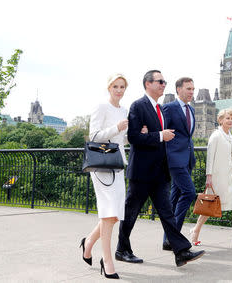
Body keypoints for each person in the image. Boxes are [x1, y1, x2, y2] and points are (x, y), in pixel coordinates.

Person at [115, 70, 205, 267]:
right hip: (142, 171)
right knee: (131, 211)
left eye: (165, 82)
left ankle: (181, 252)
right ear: (148, 84)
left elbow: (157, 135)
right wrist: (157, 135)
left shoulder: (158, 108)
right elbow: (134, 137)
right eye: (160, 81)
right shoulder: (139, 106)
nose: (164, 85)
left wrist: (155, 133)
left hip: (160, 171)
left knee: (167, 213)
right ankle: (122, 249)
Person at [80, 74, 129, 279]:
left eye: (122, 87)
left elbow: (121, 140)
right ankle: (107, 260)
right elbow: (93, 136)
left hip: (117, 164)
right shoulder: (101, 107)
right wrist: (116, 128)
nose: (119, 90)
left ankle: (88, 242)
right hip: (101, 165)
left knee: (115, 214)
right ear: (109, 88)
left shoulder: (124, 110)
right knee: (108, 214)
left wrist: (129, 133)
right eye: (115, 86)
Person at [190, 108, 232, 252]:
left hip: (231, 177)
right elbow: (210, 156)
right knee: (210, 207)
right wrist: (209, 176)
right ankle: (195, 231)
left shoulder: (230, 136)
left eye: (231, 118)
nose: (230, 121)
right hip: (218, 177)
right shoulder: (216, 136)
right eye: (227, 118)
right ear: (220, 120)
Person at [161, 77, 199, 250]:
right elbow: (162, 132)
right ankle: (174, 235)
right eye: (188, 89)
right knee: (189, 192)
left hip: (187, 159)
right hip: (174, 159)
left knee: (175, 198)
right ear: (178, 89)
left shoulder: (191, 109)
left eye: (193, 89)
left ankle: (167, 239)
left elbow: (187, 135)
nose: (192, 92)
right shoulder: (169, 108)